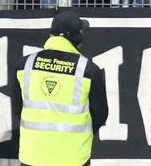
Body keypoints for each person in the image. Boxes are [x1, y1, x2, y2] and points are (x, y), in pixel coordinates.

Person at [13, 10, 108, 166]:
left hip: (33, 156)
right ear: (78, 37)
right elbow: (100, 114)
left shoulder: (25, 65)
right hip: (74, 158)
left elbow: (17, 108)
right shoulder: (88, 70)